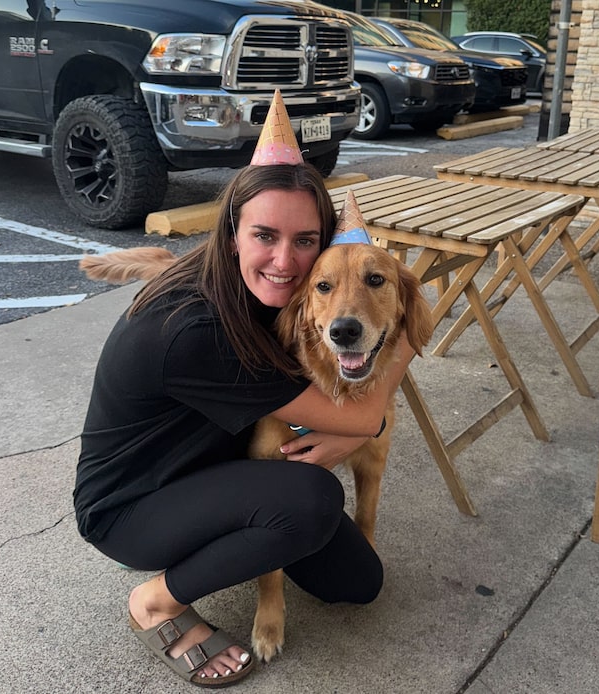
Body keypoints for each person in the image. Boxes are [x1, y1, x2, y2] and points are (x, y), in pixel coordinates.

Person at [73, 92, 415, 688]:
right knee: (308, 498)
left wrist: (394, 339)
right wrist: (353, 429)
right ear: (232, 233)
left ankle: (237, 528)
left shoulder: (279, 301)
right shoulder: (195, 331)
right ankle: (156, 600)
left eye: (305, 240)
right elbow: (362, 420)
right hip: (134, 502)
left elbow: (401, 329)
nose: (285, 261)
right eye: (265, 236)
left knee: (357, 585)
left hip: (216, 462)